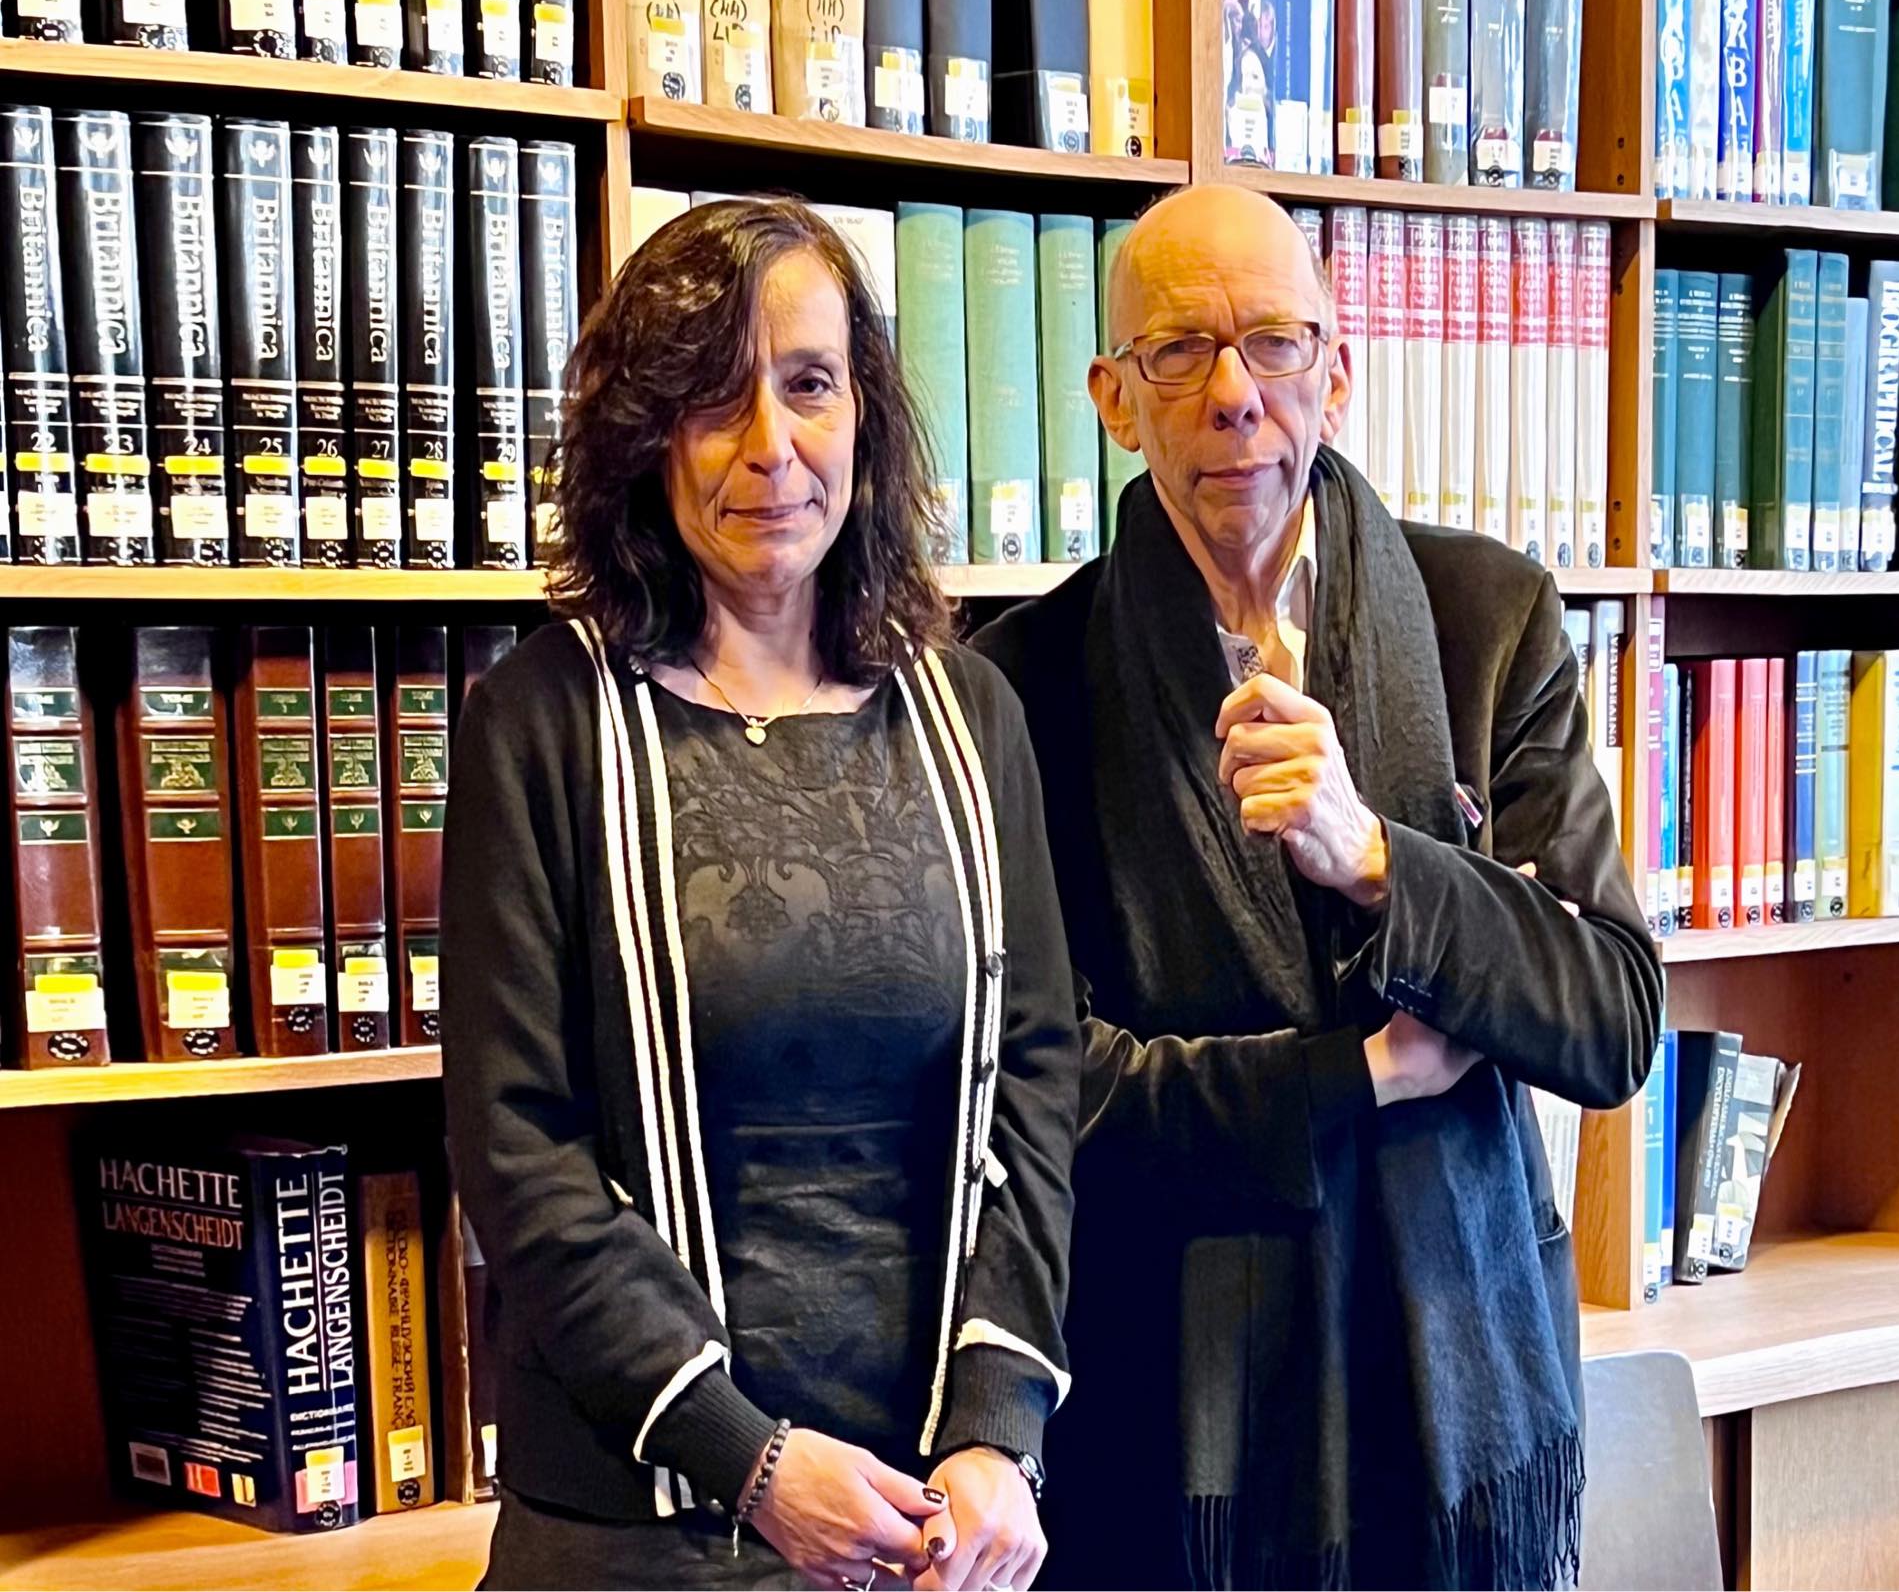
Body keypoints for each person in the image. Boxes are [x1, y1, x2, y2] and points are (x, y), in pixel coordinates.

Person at [974, 184, 1664, 1591]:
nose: (1235, 394)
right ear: (1115, 400)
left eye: (1275, 344)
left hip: (1459, 1402)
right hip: (1167, 1429)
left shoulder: (1488, 623)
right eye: (1181, 351)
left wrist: (1383, 860)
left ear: (1336, 375)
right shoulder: (1022, 685)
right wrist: (1355, 1076)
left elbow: (1609, 1011)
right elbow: (1047, 1097)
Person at [443, 198, 1080, 1592]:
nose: (771, 447)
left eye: (808, 384)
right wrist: (748, 1457)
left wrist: (998, 1428)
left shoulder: (973, 716)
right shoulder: (540, 722)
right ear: (644, 435)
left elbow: (1036, 1083)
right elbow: (516, 1145)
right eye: (714, 400)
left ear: (865, 413)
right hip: (636, 1534)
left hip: (929, 1521)